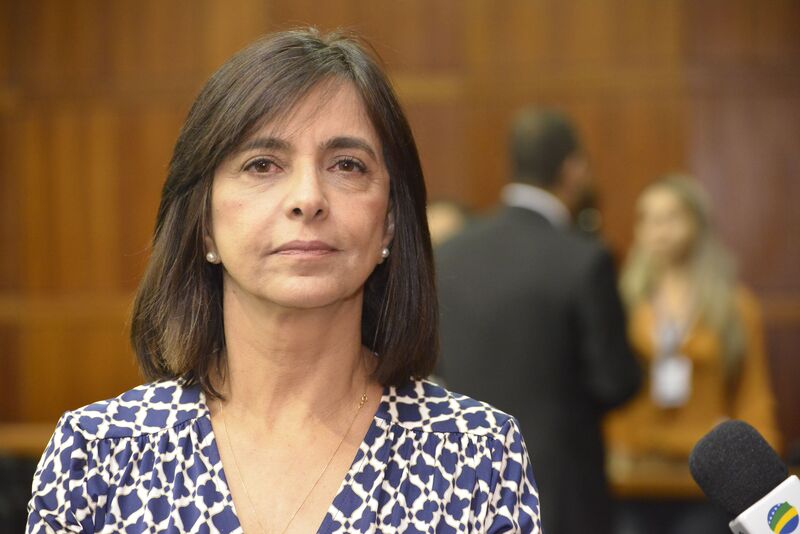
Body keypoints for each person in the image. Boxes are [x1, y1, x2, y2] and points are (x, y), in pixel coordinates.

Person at [26, 29, 541, 533]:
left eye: (347, 165)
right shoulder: (98, 457)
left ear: (389, 221)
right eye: (262, 165)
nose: (308, 198)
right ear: (204, 222)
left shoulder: (476, 456)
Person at [437, 108, 641, 534]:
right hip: (559, 493)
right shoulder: (584, 259)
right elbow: (614, 381)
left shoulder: (449, 255)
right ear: (573, 168)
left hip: (462, 486)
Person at [605, 175, 781, 534]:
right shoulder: (621, 304)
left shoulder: (735, 307)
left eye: (670, 217)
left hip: (706, 478)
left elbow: (754, 396)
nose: (659, 230)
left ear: (698, 223)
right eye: (648, 219)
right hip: (635, 475)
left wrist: (752, 462)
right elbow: (608, 393)